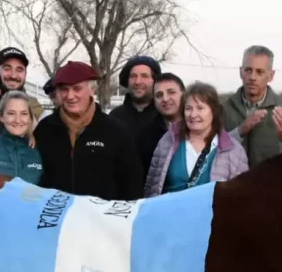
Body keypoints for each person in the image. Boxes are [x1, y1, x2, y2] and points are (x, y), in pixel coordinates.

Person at [33, 61, 144, 200]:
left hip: (100, 219)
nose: (70, 95)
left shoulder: (115, 131)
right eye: (64, 89)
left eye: (77, 88)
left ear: (92, 89)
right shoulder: (45, 129)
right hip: (56, 217)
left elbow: (132, 183)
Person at [143, 82, 248, 196]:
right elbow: (151, 186)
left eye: (200, 108)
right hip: (169, 212)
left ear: (214, 111)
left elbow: (241, 194)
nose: (193, 115)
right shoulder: (168, 141)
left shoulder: (233, 150)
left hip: (212, 213)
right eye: (188, 108)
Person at [222, 45, 282, 168]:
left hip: (269, 184)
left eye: (260, 72)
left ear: (271, 75)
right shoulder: (223, 108)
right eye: (248, 70)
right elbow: (211, 153)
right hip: (232, 184)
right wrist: (241, 130)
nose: (252, 77)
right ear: (240, 72)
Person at [110, 55, 164, 171]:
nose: (138, 81)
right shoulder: (114, 117)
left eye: (144, 76)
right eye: (133, 76)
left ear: (155, 81)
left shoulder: (164, 116)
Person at [137, 73, 185, 171]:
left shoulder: (199, 129)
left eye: (171, 92)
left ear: (184, 94)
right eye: (159, 95)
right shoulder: (145, 136)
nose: (165, 99)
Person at [0, 46, 44, 118]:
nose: (13, 76)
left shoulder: (34, 107)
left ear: (25, 74)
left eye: (19, 70)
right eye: (7, 69)